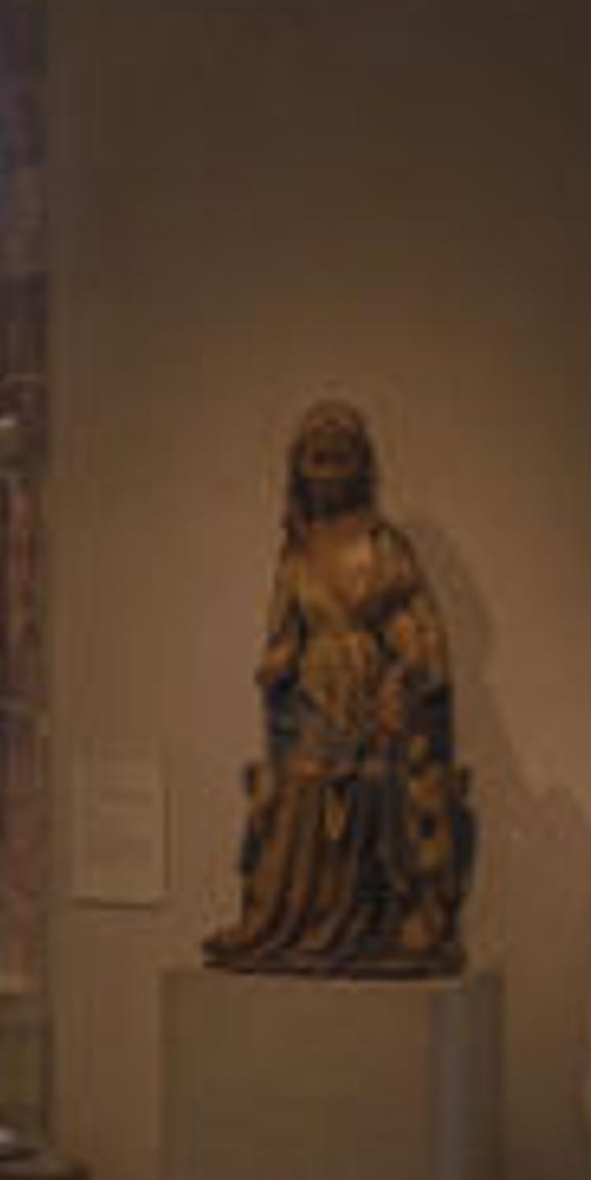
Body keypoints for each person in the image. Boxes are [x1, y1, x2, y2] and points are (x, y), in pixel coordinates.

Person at [204, 402, 474, 974]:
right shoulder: (296, 553)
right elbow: (284, 631)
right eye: (315, 462)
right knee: (302, 790)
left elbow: (421, 631)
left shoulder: (384, 545)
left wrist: (403, 677)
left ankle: (372, 926)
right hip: (313, 697)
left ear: (361, 468)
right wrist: (277, 665)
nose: (325, 475)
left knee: (372, 791)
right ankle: (295, 924)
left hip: (376, 698)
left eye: (338, 461)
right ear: (298, 471)